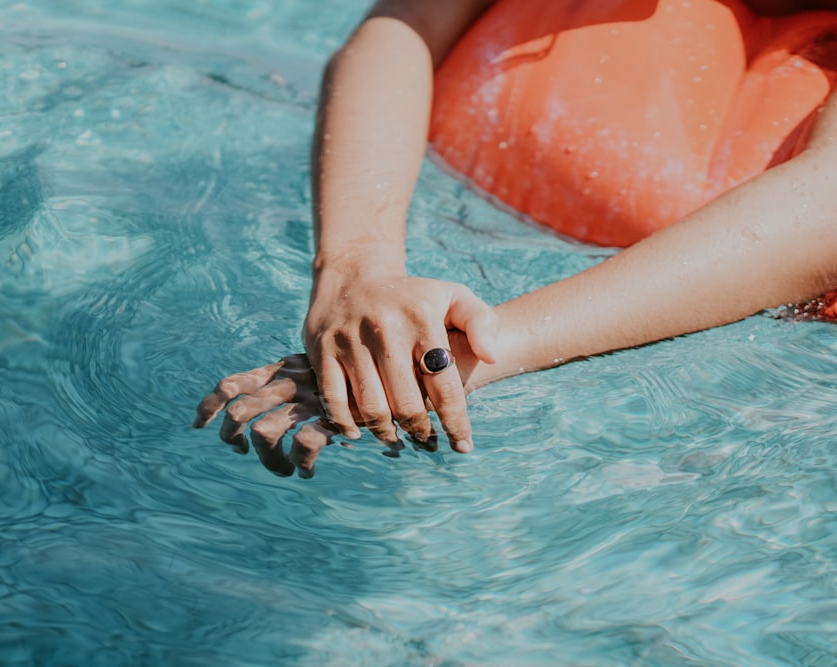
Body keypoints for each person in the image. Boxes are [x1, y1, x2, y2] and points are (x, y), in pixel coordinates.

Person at [194, 0, 837, 478]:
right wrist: (354, 273)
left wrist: (463, 356)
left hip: (768, 380)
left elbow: (823, 206)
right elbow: (407, 22)